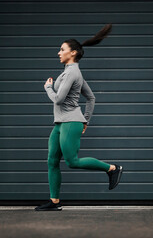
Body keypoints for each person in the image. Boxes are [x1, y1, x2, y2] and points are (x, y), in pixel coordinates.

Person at [35, 24, 123, 211]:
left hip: (70, 121)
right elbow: (91, 97)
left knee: (72, 161)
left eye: (62, 50)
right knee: (52, 161)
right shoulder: (70, 72)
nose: (58, 52)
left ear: (73, 53)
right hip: (61, 123)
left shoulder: (73, 72)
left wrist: (48, 88)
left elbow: (58, 99)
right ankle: (54, 202)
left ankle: (113, 168)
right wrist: (86, 120)